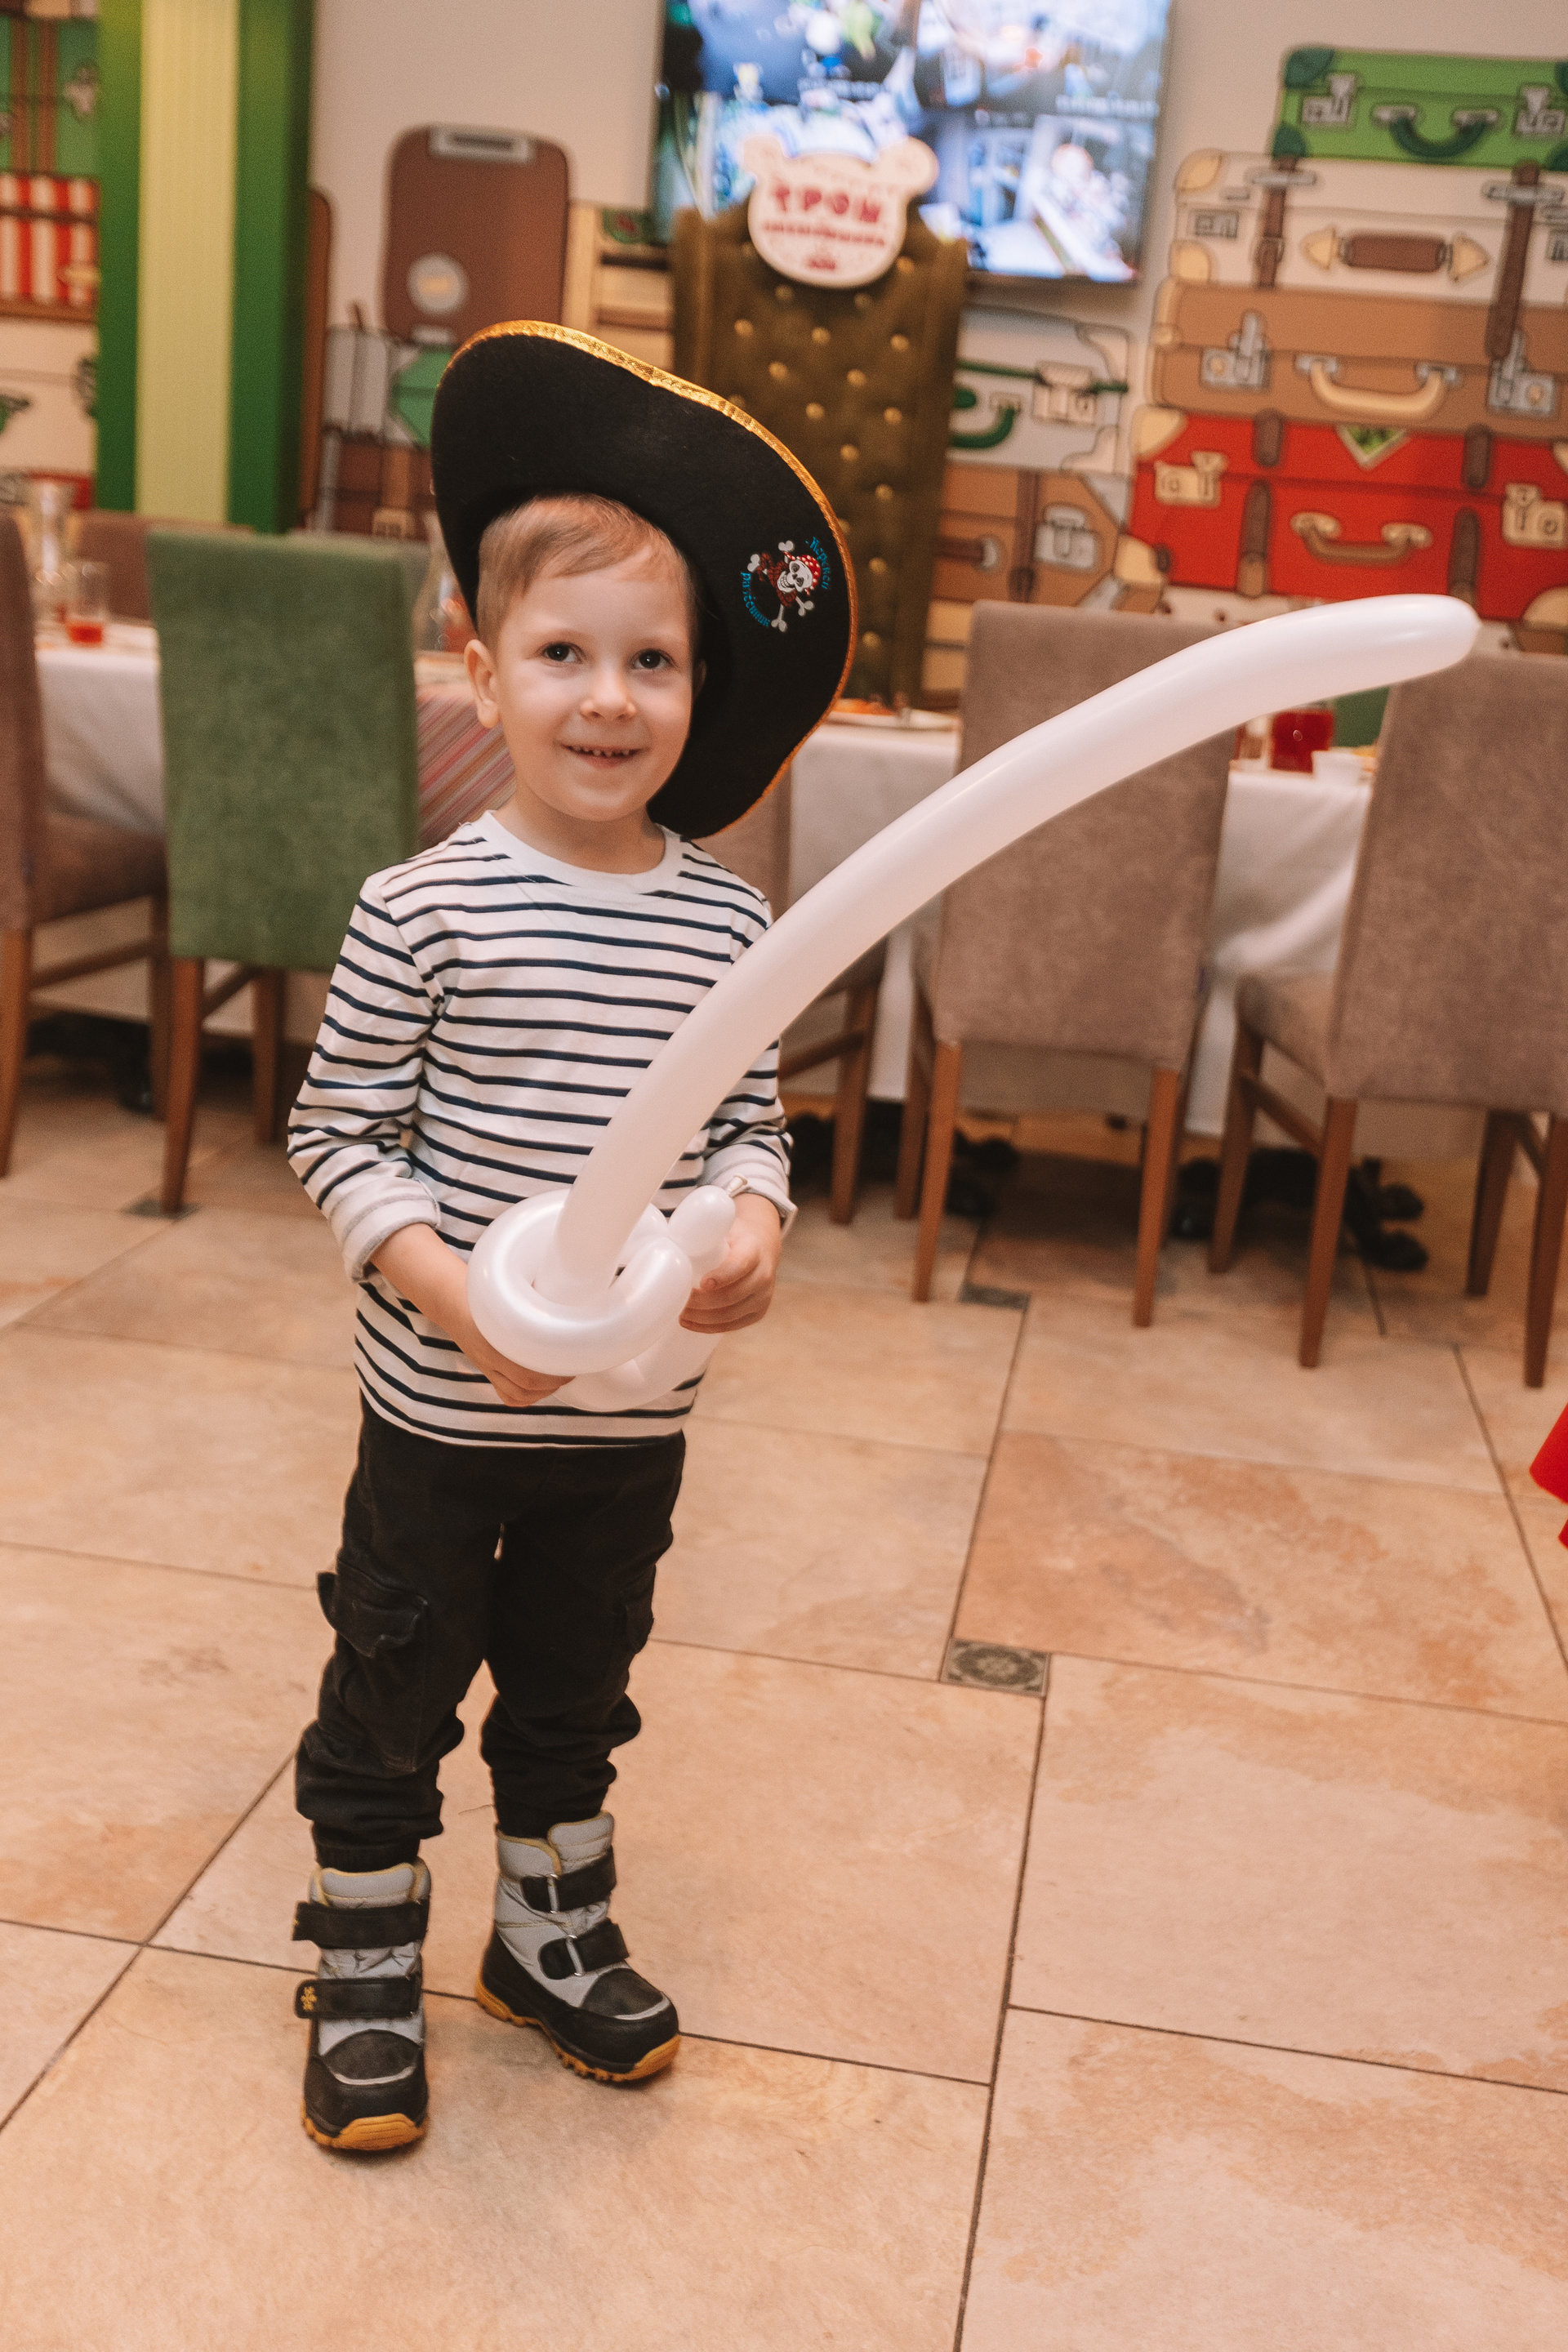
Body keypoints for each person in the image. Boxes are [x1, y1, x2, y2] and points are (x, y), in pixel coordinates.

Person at [285, 324, 853, 2153]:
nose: (608, 701)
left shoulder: (729, 930)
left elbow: (751, 1122)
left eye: (653, 661)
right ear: (482, 665)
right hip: (446, 1409)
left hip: (628, 1422)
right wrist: (454, 1294)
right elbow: (335, 1134)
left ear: (699, 686)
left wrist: (755, 1220)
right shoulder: (423, 909)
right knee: (395, 1680)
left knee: (577, 1685)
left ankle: (547, 1931)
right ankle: (366, 1953)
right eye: (563, 655)